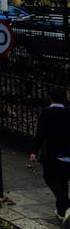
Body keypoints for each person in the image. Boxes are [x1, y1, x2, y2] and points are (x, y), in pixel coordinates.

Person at [31, 87, 70, 226]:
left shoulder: (47, 113)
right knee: (63, 181)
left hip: (52, 154)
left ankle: (67, 204)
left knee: (50, 179)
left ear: (49, 97)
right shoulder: (68, 112)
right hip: (68, 155)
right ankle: (62, 213)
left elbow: (40, 134)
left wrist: (34, 151)